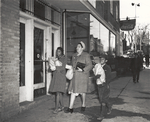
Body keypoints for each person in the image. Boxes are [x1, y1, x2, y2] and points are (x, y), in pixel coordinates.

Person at [66, 41, 93, 113]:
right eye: (77, 46)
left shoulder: (86, 55)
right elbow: (73, 65)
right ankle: (70, 107)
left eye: (79, 47)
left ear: (82, 48)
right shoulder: (74, 55)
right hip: (75, 77)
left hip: (82, 77)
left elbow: (90, 65)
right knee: (73, 91)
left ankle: (83, 104)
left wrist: (83, 69)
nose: (77, 48)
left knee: (82, 92)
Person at [49, 47, 67, 114]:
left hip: (61, 77)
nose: (57, 52)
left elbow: (63, 67)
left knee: (58, 93)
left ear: (62, 52)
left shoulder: (64, 58)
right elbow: (52, 67)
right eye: (57, 51)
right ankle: (62, 106)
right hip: (56, 77)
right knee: (59, 92)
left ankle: (56, 108)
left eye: (59, 51)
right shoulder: (56, 58)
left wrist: (55, 67)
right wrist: (51, 67)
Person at [94, 54, 112, 121]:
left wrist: (106, 84)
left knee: (103, 100)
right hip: (99, 85)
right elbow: (95, 75)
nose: (101, 60)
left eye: (103, 59)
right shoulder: (97, 66)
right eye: (100, 59)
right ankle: (109, 106)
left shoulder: (107, 68)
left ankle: (102, 115)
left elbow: (109, 77)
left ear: (106, 61)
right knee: (102, 99)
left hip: (105, 85)